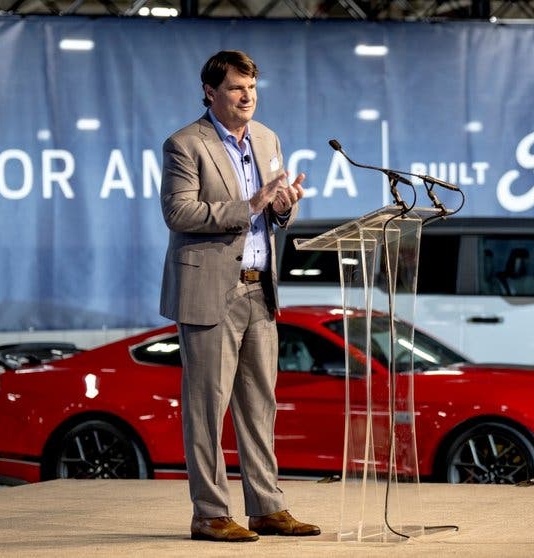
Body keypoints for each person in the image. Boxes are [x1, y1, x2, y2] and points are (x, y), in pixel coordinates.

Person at [159, 49, 319, 543]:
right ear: (211, 91)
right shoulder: (186, 144)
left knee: (259, 404)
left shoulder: (268, 138)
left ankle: (267, 507)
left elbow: (272, 213)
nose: (247, 96)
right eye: (236, 88)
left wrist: (283, 207)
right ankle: (209, 512)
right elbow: (180, 213)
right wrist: (251, 204)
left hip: (259, 288)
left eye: (252, 87)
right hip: (210, 291)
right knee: (207, 407)